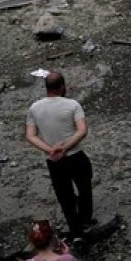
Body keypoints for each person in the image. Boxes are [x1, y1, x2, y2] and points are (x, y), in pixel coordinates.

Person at [26, 72, 95, 239]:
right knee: (84, 187)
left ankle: (74, 229)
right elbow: (82, 130)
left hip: (54, 161)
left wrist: (51, 150)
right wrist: (66, 147)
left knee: (65, 196)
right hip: (75, 155)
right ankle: (85, 219)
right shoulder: (72, 105)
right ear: (62, 86)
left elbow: (30, 135)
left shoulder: (34, 108)